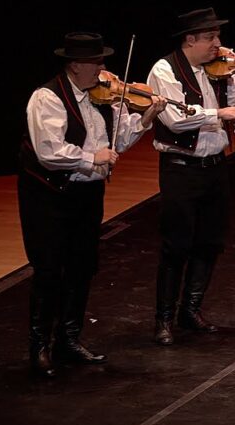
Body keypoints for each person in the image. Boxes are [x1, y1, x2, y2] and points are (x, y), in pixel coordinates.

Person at [19, 32, 166, 377]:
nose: (103, 69)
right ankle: (39, 346)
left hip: (87, 194)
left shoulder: (103, 97)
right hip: (50, 195)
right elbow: (49, 151)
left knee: (82, 266)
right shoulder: (47, 97)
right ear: (75, 65)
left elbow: (118, 140)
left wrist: (146, 118)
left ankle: (68, 340)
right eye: (96, 62)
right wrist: (91, 157)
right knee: (49, 269)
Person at [147, 7, 235, 345]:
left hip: (214, 166)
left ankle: (191, 309)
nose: (218, 43)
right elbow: (175, 119)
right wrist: (217, 114)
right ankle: (164, 319)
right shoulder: (164, 70)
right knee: (176, 245)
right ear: (189, 39)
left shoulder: (222, 68)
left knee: (210, 241)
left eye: (218, 36)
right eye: (210, 37)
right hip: (181, 169)